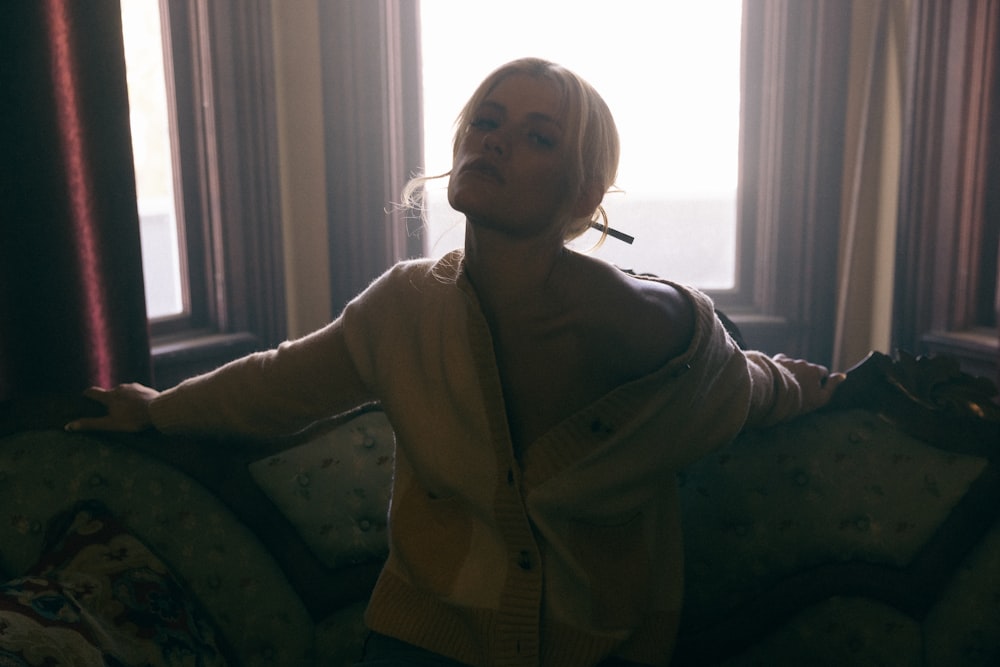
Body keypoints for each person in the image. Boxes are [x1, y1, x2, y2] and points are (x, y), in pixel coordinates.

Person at [66, 58, 845, 667]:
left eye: (539, 136)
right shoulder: (405, 309)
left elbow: (737, 386)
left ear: (583, 195)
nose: (494, 139)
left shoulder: (640, 322)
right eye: (487, 120)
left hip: (601, 648)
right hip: (424, 638)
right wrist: (156, 409)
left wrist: (809, 386)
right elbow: (278, 383)